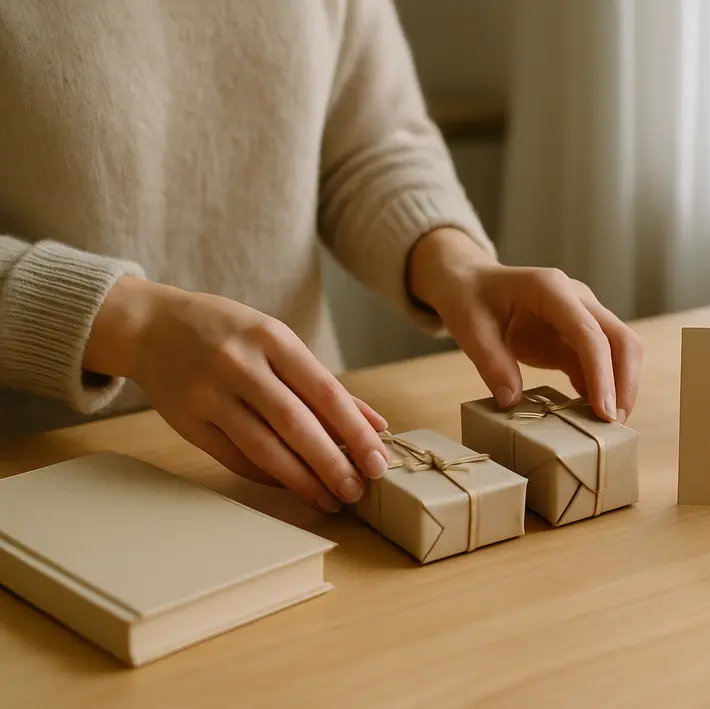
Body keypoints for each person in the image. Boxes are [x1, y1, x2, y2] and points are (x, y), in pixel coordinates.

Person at [0, 0, 642, 514]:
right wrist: (130, 326)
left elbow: (366, 143)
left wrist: (455, 263)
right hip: (40, 474)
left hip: (307, 464)